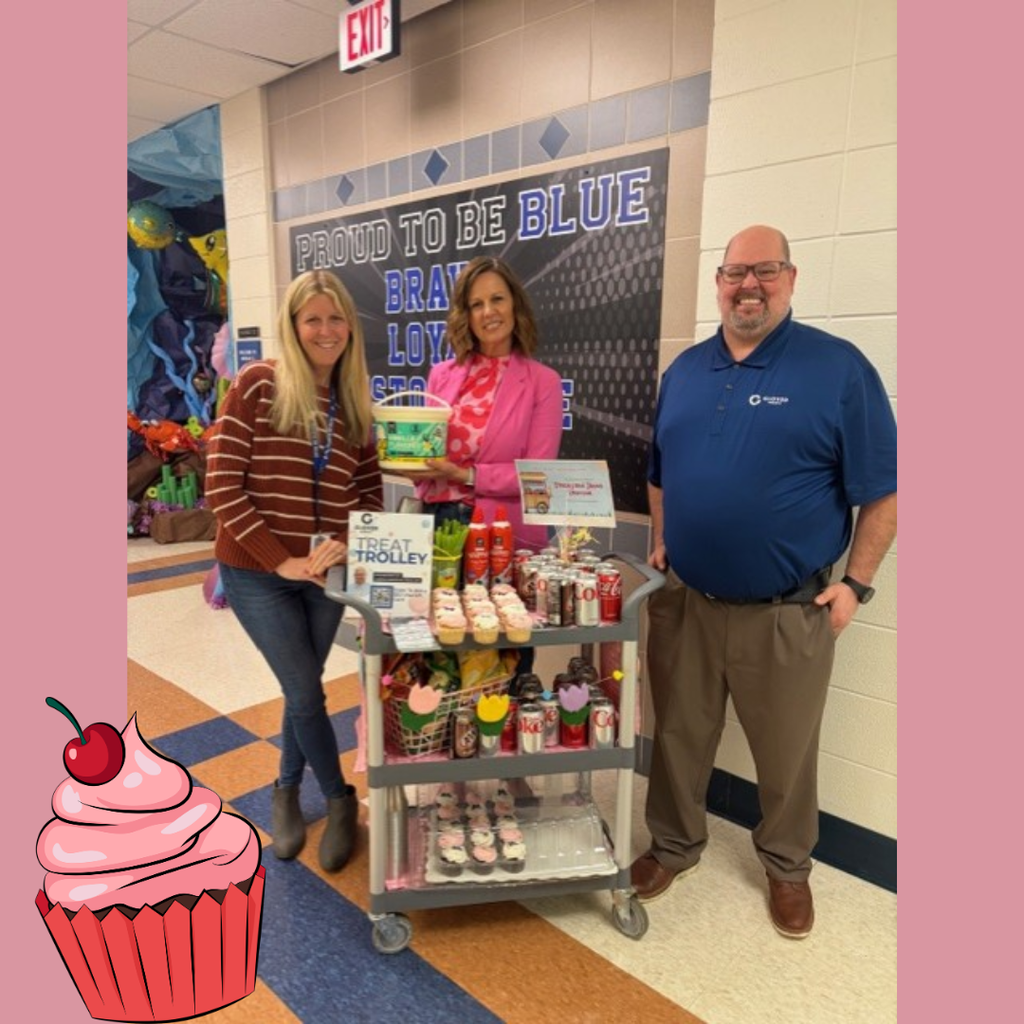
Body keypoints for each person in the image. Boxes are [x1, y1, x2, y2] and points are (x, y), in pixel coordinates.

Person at [632, 225, 897, 939]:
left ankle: (786, 868)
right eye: (735, 273)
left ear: (791, 277)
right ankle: (673, 846)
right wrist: (664, 538)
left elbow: (882, 493)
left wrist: (857, 584)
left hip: (787, 610)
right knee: (680, 735)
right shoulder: (684, 372)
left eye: (765, 271)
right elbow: (658, 473)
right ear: (718, 282)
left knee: (786, 750)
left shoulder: (838, 370)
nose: (748, 285)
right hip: (686, 600)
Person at [205, 269, 383, 872]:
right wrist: (283, 559)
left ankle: (285, 789)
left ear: (349, 329)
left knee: (298, 684)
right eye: (314, 319)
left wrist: (344, 544)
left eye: (336, 319)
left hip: (322, 576)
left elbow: (369, 495)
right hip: (258, 573)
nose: (326, 330)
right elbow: (222, 489)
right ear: (294, 324)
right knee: (306, 688)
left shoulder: (354, 403)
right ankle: (338, 798)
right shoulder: (258, 385)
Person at [406, 255, 563, 550]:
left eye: (497, 299)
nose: (488, 311)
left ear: (515, 305)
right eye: (476, 304)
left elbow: (537, 477)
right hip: (435, 524)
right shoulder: (440, 375)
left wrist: (465, 475)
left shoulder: (544, 382)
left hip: (499, 532)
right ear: (465, 314)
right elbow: (427, 452)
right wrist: (413, 465)